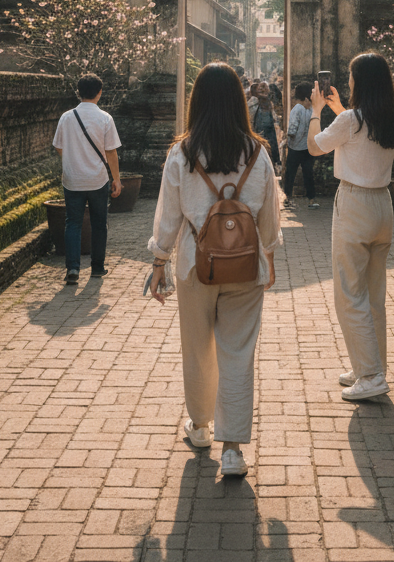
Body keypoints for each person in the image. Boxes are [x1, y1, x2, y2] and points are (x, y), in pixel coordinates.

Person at [148, 63, 281, 478]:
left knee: (197, 347)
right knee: (238, 353)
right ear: (240, 102)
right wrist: (269, 258)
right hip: (244, 266)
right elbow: (269, 217)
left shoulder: (183, 151)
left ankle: (201, 425)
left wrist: (159, 261)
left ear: (198, 101)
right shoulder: (257, 152)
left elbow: (169, 215)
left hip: (194, 263)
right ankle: (234, 449)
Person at [307, 53, 394, 401]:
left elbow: (314, 147)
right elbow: (357, 136)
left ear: (359, 81)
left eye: (350, 76)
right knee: (373, 294)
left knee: (349, 293)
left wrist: (317, 111)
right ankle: (370, 365)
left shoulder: (352, 119)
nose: (347, 81)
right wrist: (338, 111)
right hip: (382, 205)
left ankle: (370, 374)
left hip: (354, 204)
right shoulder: (388, 118)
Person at [52, 74, 123, 285]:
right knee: (99, 223)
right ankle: (98, 267)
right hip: (97, 180)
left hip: (73, 180)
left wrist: (73, 159)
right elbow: (111, 152)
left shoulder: (66, 117)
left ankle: (73, 268)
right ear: (99, 93)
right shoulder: (105, 118)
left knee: (72, 223)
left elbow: (58, 146)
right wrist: (116, 179)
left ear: (78, 92)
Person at [283, 82, 319, 209]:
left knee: (290, 174)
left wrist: (287, 140)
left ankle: (288, 198)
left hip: (296, 148)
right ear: (307, 98)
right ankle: (311, 199)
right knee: (307, 173)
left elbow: (292, 129)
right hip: (305, 148)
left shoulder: (299, 109)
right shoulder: (309, 110)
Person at [249, 81, 281, 169]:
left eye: (264, 90)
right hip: (263, 136)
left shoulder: (257, 104)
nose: (263, 92)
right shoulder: (258, 104)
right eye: (261, 90)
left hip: (263, 135)